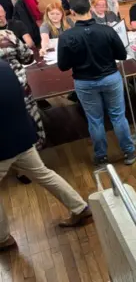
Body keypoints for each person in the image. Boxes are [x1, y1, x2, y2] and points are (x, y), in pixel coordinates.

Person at [0, 60, 92, 252]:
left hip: (3, 145)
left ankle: (2, 238)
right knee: (43, 173)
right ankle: (80, 208)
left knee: (42, 173)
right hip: (22, 135)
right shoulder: (4, 66)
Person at [57, 0, 136, 165]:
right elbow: (122, 54)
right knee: (118, 116)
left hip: (84, 82)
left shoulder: (67, 36)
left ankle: (101, 156)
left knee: (94, 120)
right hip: (110, 77)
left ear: (72, 12)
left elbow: (63, 66)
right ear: (90, 8)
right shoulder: (107, 30)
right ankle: (129, 151)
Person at [0, 6, 45, 149]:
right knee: (30, 114)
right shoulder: (8, 35)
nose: (2, 17)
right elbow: (27, 57)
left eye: (2, 14)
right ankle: (37, 144)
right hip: (17, 84)